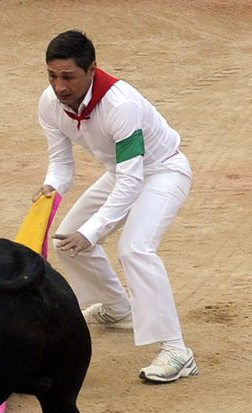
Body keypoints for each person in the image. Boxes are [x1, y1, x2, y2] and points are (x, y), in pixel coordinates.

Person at [35, 30, 198, 383]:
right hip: (121, 173)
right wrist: (52, 186)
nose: (59, 86)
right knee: (67, 240)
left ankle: (177, 350)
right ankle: (119, 309)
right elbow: (61, 163)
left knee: (135, 248)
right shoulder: (49, 103)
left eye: (68, 77)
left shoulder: (121, 105)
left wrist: (93, 231)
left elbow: (132, 180)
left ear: (92, 69)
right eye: (52, 76)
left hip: (163, 172)